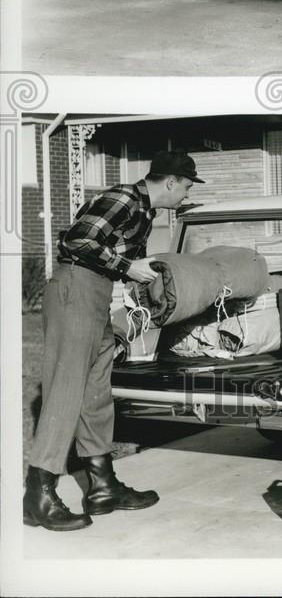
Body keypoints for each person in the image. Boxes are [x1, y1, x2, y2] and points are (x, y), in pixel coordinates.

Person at [23, 151, 205, 531]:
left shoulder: (145, 212)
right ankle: (38, 495)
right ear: (170, 181)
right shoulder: (123, 197)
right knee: (65, 391)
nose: (185, 196)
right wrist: (128, 267)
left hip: (98, 294)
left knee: (96, 394)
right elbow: (78, 240)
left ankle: (103, 486)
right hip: (76, 290)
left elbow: (112, 257)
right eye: (186, 187)